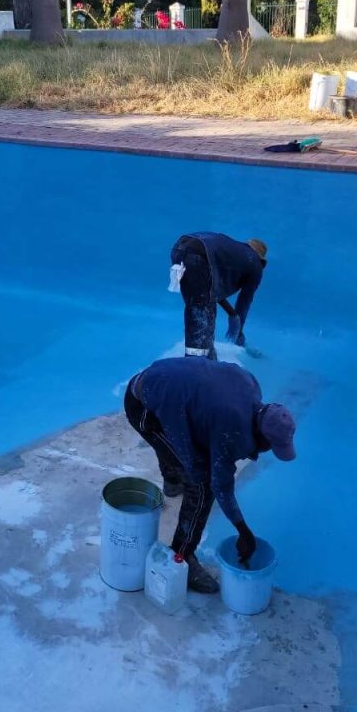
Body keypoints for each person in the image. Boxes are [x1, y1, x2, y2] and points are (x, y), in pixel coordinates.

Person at [124, 356, 296, 594]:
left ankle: (173, 479)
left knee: (189, 449)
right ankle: (182, 555)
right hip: (144, 405)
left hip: (165, 383)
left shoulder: (251, 384)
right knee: (201, 484)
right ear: (263, 437)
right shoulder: (231, 429)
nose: (267, 451)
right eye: (271, 446)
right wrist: (243, 530)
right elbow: (220, 485)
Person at [169, 232, 267, 360]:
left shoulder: (232, 251)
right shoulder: (255, 264)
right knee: (201, 311)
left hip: (179, 249)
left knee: (202, 306)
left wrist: (232, 314)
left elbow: (212, 291)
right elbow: (244, 302)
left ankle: (206, 356)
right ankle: (197, 362)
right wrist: (238, 330)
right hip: (198, 254)